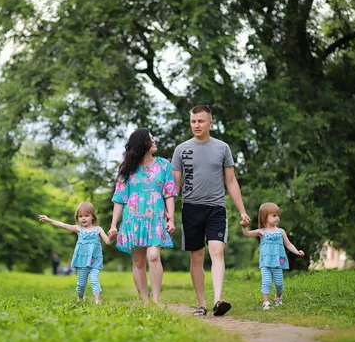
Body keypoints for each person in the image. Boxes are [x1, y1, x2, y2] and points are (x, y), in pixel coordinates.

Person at [171, 105, 251, 317]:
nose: (196, 125)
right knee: (196, 257)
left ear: (210, 123)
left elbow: (231, 181)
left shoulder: (222, 148)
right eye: (193, 121)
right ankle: (201, 303)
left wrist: (242, 211)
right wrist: (167, 214)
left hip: (216, 208)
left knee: (217, 251)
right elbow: (174, 187)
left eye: (201, 121)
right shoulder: (181, 150)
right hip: (190, 209)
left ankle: (218, 300)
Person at [108, 128, 176, 304]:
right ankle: (145, 302)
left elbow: (169, 193)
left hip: (156, 219)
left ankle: (156, 300)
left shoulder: (164, 165)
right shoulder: (127, 168)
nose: (154, 141)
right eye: (150, 139)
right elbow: (119, 197)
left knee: (153, 256)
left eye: (153, 138)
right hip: (133, 219)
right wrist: (114, 224)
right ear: (141, 144)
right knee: (138, 262)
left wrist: (171, 219)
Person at [39, 201, 112, 304]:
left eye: (86, 215)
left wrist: (113, 236)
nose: (83, 218)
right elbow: (63, 225)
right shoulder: (79, 229)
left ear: (93, 217)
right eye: (80, 216)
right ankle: (80, 298)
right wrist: (49, 220)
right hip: (82, 262)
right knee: (81, 284)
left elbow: (108, 241)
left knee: (94, 280)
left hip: (94, 262)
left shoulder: (98, 230)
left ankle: (97, 301)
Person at [240, 202, 305, 310]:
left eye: (278, 215)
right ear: (264, 217)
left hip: (278, 262)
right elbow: (247, 234)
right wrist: (244, 226)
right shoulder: (261, 232)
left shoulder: (281, 232)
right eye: (274, 216)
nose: (277, 218)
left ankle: (278, 298)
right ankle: (266, 303)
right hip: (266, 263)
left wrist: (296, 251)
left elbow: (288, 244)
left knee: (279, 284)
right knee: (266, 281)